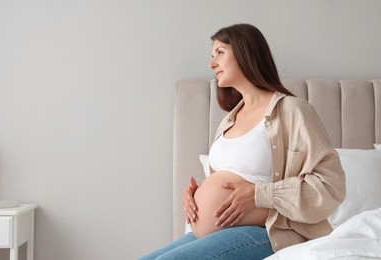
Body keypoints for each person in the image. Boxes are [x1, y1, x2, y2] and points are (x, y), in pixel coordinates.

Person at [139, 23, 345, 260]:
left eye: (220, 53)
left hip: (270, 231)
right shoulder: (229, 120)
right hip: (217, 232)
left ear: (245, 53)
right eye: (212, 55)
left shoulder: (292, 111)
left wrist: (260, 195)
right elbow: (232, 181)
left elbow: (331, 185)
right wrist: (195, 195)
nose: (211, 63)